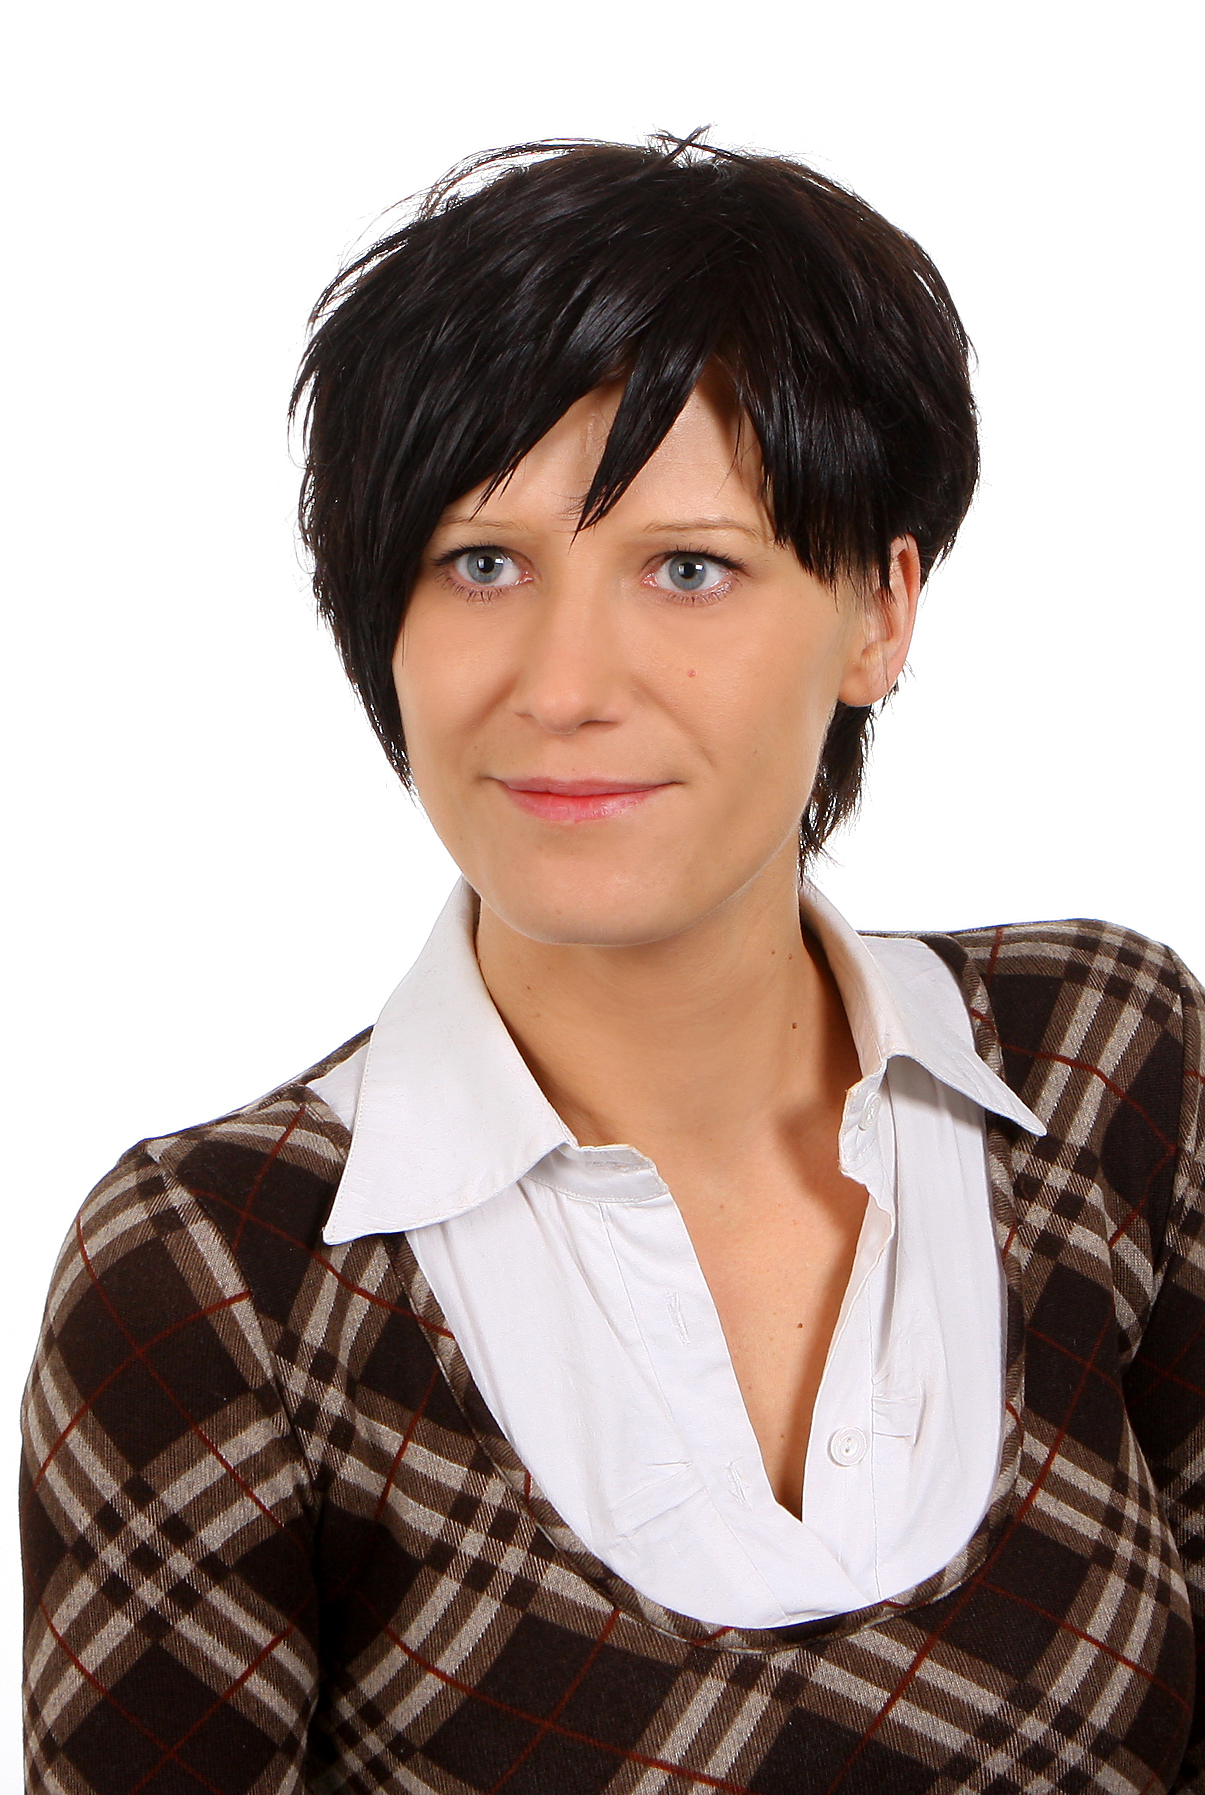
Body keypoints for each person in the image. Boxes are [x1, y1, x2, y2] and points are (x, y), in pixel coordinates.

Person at [20, 134, 1204, 1794]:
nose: (564, 684)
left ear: (880, 611)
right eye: (480, 563)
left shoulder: (1101, 1065)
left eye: (687, 568)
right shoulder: (223, 1278)